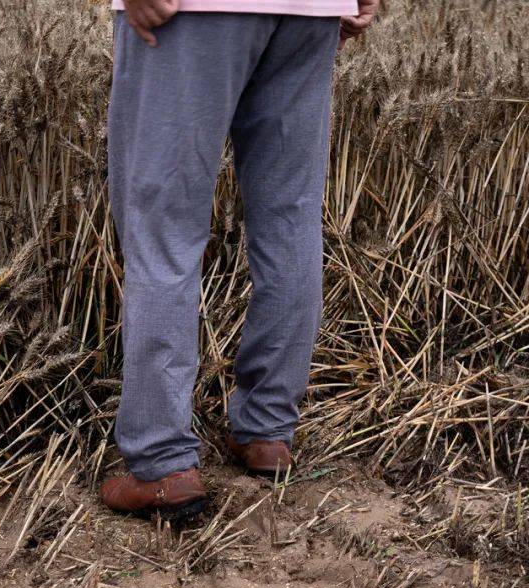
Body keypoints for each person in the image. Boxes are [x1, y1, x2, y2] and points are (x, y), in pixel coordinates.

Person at [101, 0, 380, 518]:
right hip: (308, 12)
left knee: (163, 228)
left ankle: (163, 462)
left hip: (192, 10)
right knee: (289, 218)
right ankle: (268, 431)